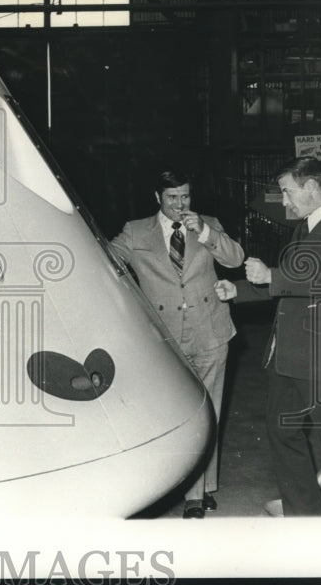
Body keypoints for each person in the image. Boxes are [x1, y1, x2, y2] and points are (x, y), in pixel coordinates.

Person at [214, 157, 321, 516]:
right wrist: (240, 290)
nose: (284, 200)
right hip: (289, 355)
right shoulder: (304, 228)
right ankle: (304, 512)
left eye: (287, 192)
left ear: (310, 188)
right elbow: (289, 285)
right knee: (281, 432)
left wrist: (271, 277)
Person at [110, 169, 244, 519]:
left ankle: (198, 493)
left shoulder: (207, 224)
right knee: (180, 412)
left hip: (210, 331)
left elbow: (235, 259)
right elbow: (107, 263)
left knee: (210, 410)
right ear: (158, 198)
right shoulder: (135, 231)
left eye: (185, 196)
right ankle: (196, 487)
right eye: (172, 198)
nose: (180, 204)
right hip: (165, 336)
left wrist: (206, 232)